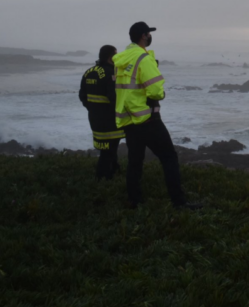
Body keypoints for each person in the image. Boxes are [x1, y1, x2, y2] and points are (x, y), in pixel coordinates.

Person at [113, 22, 200, 210]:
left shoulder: (121, 60)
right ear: (144, 36)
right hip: (147, 119)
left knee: (135, 161)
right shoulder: (143, 59)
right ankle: (179, 202)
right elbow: (154, 91)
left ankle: (134, 200)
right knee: (169, 157)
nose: (151, 37)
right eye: (149, 34)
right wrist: (161, 94)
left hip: (129, 120)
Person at [78, 45, 124, 180]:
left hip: (95, 118)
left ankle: (114, 170)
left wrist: (93, 108)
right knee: (109, 149)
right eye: (116, 55)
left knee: (106, 148)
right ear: (111, 57)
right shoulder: (111, 73)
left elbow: (82, 95)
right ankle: (104, 177)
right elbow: (114, 98)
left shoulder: (89, 72)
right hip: (109, 119)